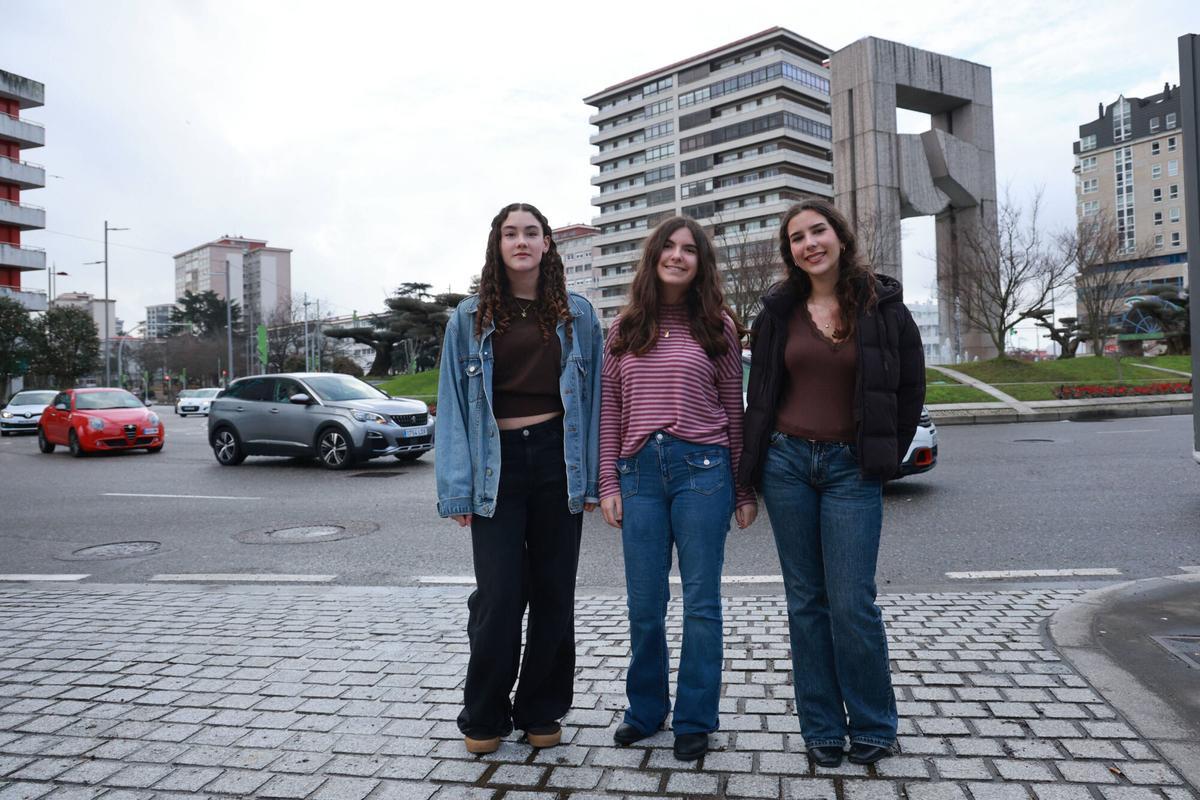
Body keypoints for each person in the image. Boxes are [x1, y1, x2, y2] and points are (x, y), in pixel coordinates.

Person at [739, 198, 925, 768]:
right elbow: (761, 393)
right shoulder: (777, 310)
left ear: (839, 237)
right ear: (789, 253)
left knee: (852, 602)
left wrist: (884, 455)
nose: (809, 243)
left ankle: (872, 723)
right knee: (807, 603)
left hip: (850, 470)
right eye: (797, 238)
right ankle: (820, 726)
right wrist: (749, 475)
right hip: (788, 463)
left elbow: (910, 388)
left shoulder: (884, 304)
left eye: (817, 231)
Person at [434, 202, 603, 755]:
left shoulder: (579, 315)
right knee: (501, 596)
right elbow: (454, 406)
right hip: (495, 463)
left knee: (555, 594)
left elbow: (596, 401)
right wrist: (457, 487)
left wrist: (596, 481)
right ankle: (483, 714)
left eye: (532, 232)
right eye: (511, 233)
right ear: (497, 244)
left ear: (547, 244)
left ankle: (540, 708)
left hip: (558, 460)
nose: (522, 241)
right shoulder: (470, 317)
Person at [598, 216, 757, 762]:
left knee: (701, 603)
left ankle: (694, 718)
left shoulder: (718, 327)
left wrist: (741, 488)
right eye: (668, 246)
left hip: (703, 472)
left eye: (690, 249)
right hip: (639, 474)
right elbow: (611, 411)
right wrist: (608, 481)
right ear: (653, 257)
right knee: (645, 604)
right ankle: (645, 711)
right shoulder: (624, 328)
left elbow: (734, 414)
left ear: (701, 263)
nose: (678, 255)